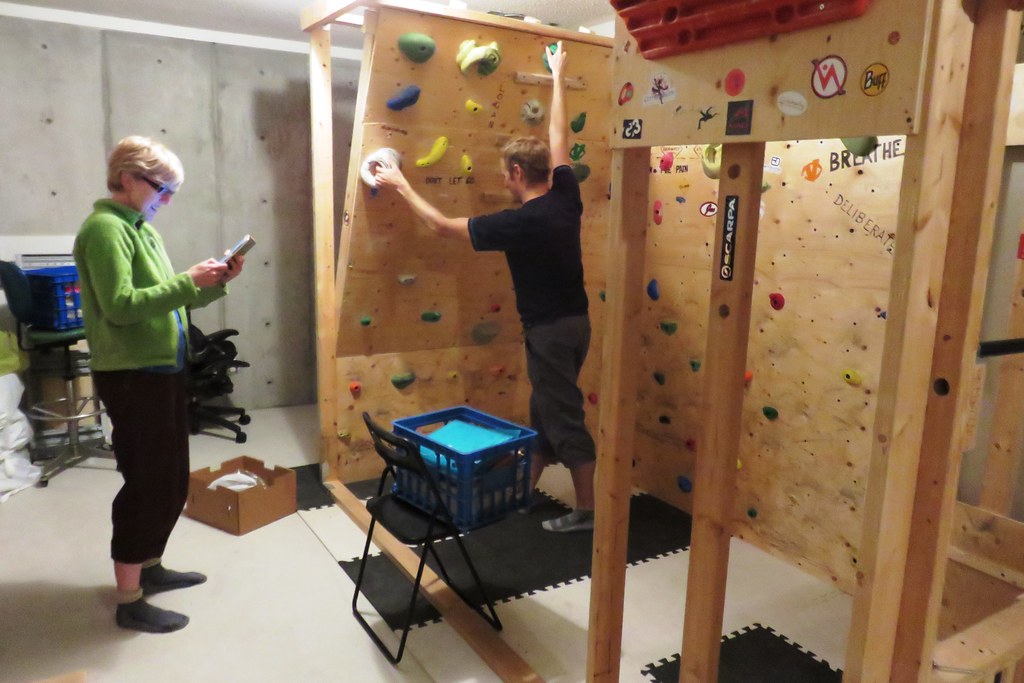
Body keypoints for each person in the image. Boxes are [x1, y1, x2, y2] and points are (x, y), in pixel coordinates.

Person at [375, 42, 596, 533]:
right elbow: (558, 136)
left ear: (517, 173)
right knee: (544, 410)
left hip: (550, 333)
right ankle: (526, 491)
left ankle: (587, 511)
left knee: (564, 419)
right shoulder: (566, 195)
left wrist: (401, 184)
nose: (504, 180)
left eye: (504, 174)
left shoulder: (520, 223)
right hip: (576, 326)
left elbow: (440, 226)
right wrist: (557, 77)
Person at [73, 136, 245, 632]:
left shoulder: (141, 229)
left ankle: (150, 566)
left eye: (172, 192)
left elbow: (171, 301)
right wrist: (189, 280)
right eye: (161, 188)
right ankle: (129, 599)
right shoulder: (105, 229)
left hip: (162, 368)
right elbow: (121, 306)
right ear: (128, 178)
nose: (166, 200)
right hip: (132, 374)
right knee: (147, 483)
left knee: (170, 479)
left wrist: (213, 282)